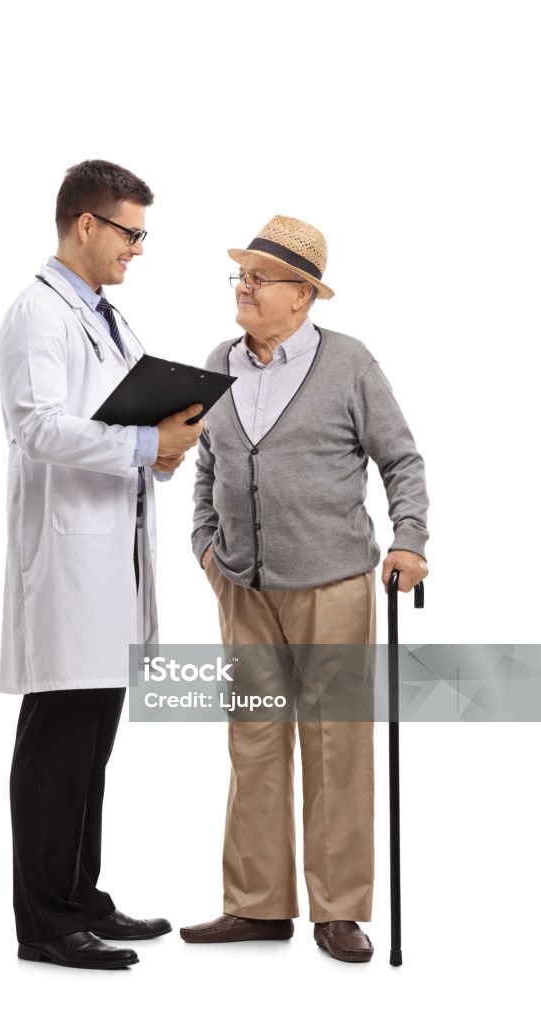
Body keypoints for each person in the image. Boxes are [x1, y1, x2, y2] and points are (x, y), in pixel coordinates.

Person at [181, 215, 428, 963]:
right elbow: (204, 462)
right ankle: (257, 907)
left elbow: (401, 460)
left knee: (335, 746)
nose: (244, 287)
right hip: (243, 588)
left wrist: (408, 540)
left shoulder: (348, 364)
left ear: (302, 295)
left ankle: (338, 910)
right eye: (242, 275)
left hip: (333, 584)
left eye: (260, 277)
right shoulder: (219, 361)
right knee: (253, 744)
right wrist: (205, 549)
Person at [0, 159, 203, 970]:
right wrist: (147, 443)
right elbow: (38, 428)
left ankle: (81, 898)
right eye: (130, 231)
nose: (138, 249)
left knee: (90, 746)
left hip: (112, 555)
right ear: (86, 224)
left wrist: (157, 448)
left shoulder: (109, 320)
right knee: (56, 748)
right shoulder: (36, 317)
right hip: (68, 567)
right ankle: (44, 923)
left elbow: (106, 423)